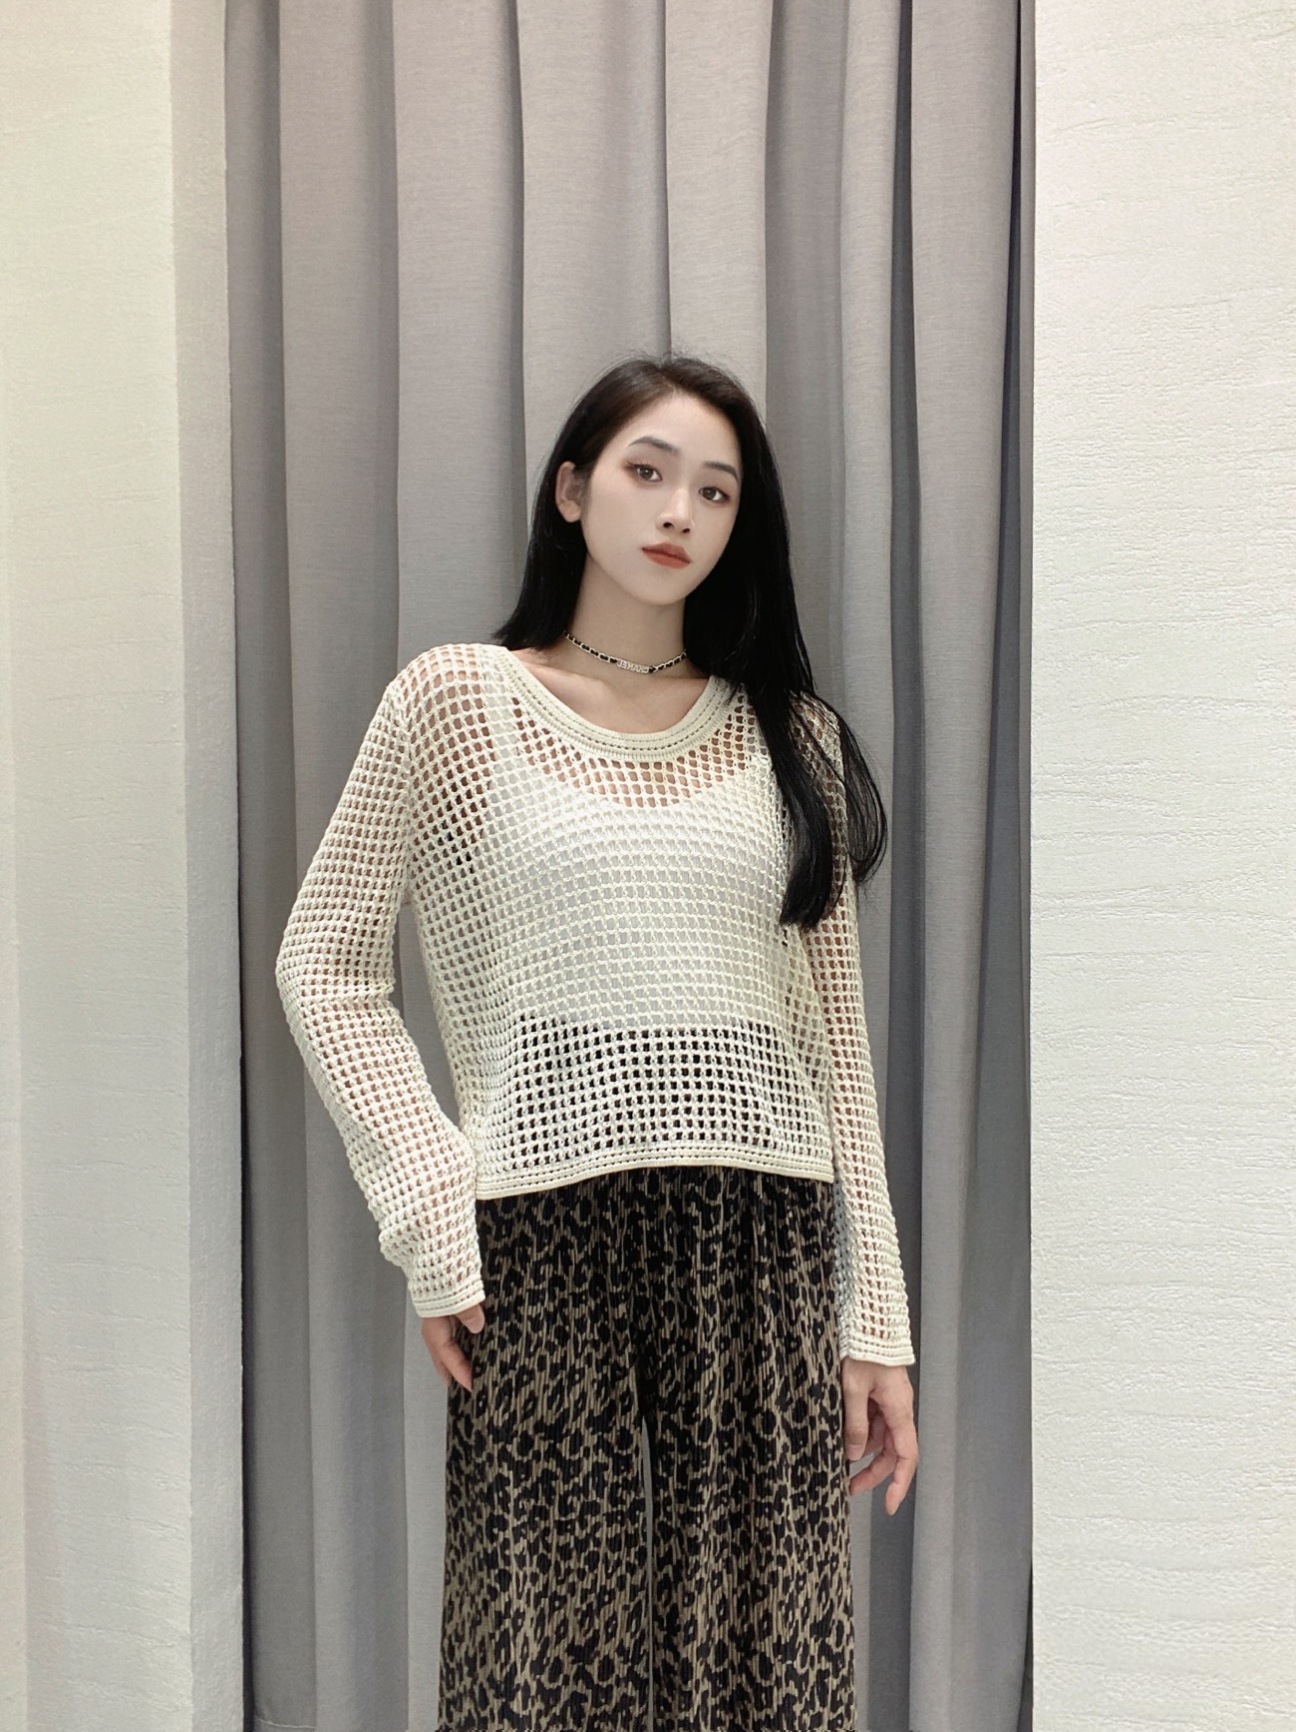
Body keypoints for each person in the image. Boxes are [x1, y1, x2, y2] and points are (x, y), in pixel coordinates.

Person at [275, 350, 919, 1729]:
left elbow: (835, 1046)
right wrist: (432, 1203)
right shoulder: (457, 704)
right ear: (572, 489)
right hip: (540, 1238)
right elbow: (324, 963)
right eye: (647, 470)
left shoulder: (790, 738)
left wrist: (876, 1319)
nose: (679, 510)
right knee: (547, 1665)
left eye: (717, 490)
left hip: (761, 1243)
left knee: (766, 1664)